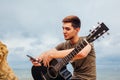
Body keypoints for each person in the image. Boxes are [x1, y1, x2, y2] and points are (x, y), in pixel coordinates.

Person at [31, 15, 96, 80]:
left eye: (67, 29)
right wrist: (38, 59)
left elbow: (82, 53)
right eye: (63, 28)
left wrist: (52, 55)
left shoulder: (87, 40)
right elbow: (48, 52)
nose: (64, 31)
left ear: (77, 30)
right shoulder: (64, 45)